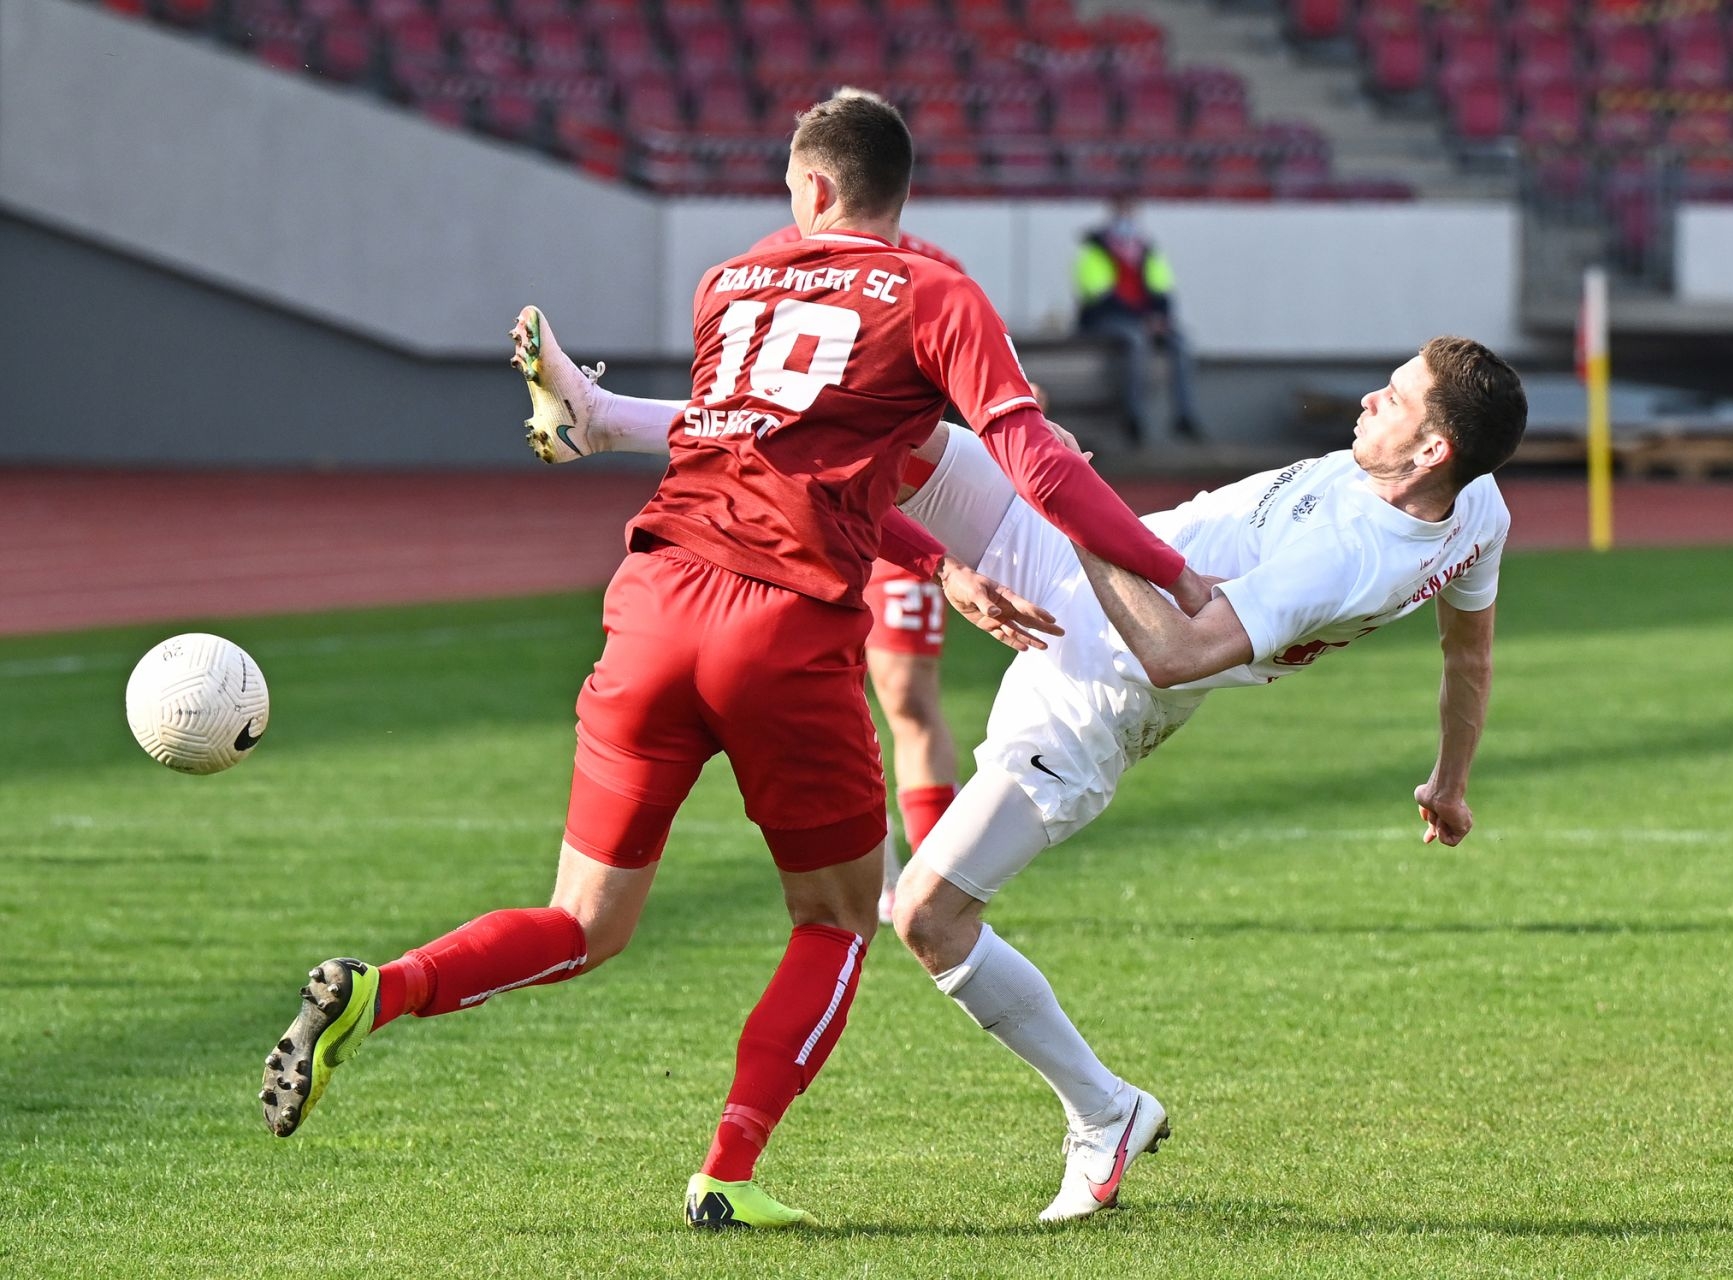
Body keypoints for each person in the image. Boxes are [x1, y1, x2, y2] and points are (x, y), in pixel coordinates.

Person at [256, 90, 1212, 1233]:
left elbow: (771, 455)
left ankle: (382, 989)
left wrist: (937, 563)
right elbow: (1040, 468)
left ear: (813, 187)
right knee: (840, 915)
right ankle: (727, 1170)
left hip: (653, 601)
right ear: (897, 194)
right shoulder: (934, 291)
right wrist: (1170, 571)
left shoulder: (733, 281)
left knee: (584, 920)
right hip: (780, 631)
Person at [885, 336, 1527, 1221]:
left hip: (1099, 687)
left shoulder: (1350, 557)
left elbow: (1174, 654)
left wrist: (1071, 499)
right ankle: (663, 430)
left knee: (928, 915)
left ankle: (1104, 1111)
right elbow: (1469, 653)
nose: (1370, 400)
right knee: (883, 439)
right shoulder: (1477, 500)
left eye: (1394, 397)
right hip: (1091, 553)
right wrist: (1450, 784)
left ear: (1432, 451)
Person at [745, 217, 968, 923]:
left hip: (900, 511)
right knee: (824, 702)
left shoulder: (931, 268)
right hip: (806, 521)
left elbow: (980, 386)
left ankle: (941, 885)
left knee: (906, 695)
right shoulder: (775, 258)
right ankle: (875, 870)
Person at [1074, 195, 1205, 446]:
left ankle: (1184, 416)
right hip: (1107, 320)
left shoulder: (1147, 250)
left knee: (1180, 342)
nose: (1126, 220)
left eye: (1130, 213)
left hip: (1144, 320)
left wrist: (1160, 318)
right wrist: (1143, 320)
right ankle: (1133, 418)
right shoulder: (1093, 249)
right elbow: (1099, 295)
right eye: (1122, 212)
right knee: (1136, 342)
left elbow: (1162, 287)